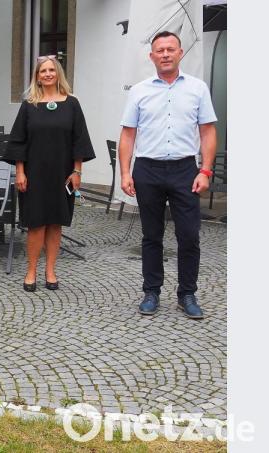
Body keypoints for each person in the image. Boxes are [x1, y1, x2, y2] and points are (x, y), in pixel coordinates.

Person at [119, 31, 217, 319]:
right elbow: (128, 134)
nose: (164, 54)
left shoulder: (198, 88)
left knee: (189, 235)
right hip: (147, 169)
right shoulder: (139, 90)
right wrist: (125, 172)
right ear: (152, 56)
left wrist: (206, 170)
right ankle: (151, 291)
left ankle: (187, 294)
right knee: (151, 235)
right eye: (159, 50)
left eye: (170, 49)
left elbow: (208, 130)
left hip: (185, 170)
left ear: (180, 53)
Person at [5, 56, 95, 292]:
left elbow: (79, 140)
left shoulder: (72, 104)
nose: (47, 74)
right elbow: (18, 142)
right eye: (42, 71)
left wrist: (77, 170)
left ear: (58, 74)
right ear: (37, 76)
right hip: (34, 174)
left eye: (51, 70)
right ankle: (31, 270)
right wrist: (20, 172)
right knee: (36, 224)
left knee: (55, 223)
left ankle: (51, 270)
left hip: (62, 174)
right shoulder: (29, 105)